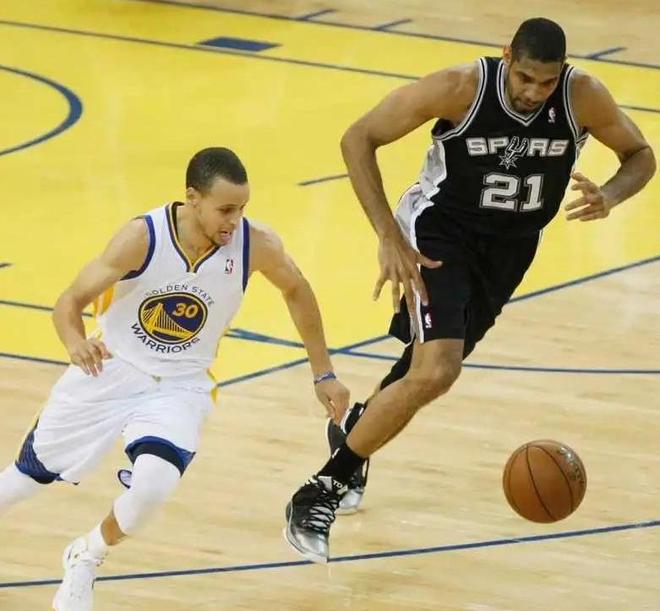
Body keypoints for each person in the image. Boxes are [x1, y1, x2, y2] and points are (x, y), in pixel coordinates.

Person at [284, 17, 655, 563]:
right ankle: (321, 490)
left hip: (510, 249)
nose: (534, 92)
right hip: (440, 234)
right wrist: (388, 235)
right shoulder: (460, 88)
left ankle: (355, 432)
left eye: (546, 82)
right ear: (507, 57)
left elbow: (640, 155)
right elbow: (358, 137)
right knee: (439, 368)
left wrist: (612, 195)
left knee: (422, 367)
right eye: (525, 78)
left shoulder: (583, 95)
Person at [0, 147, 349, 610]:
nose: (235, 220)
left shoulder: (256, 243)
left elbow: (297, 289)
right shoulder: (141, 238)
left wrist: (323, 372)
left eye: (242, 208)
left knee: (153, 486)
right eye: (226, 209)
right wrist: (75, 341)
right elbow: (69, 301)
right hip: (110, 369)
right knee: (23, 481)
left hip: (180, 385)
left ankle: (87, 555)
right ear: (193, 198)